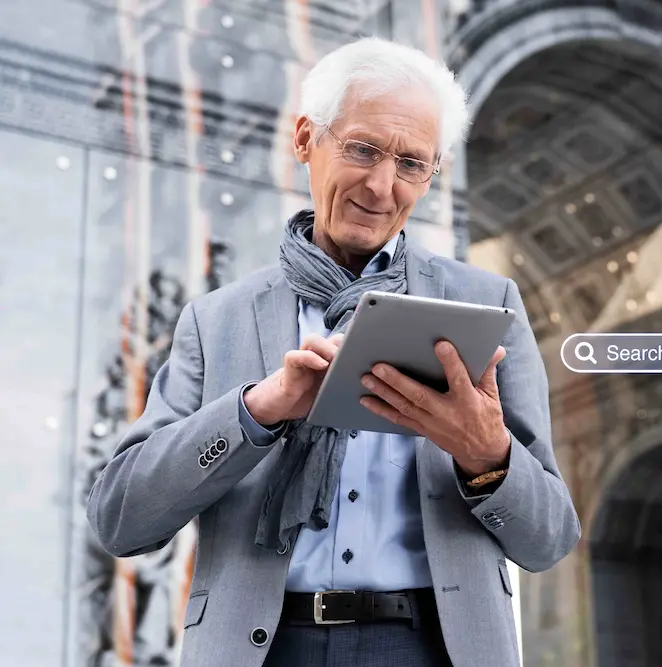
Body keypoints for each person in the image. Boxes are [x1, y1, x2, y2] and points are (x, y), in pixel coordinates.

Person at [86, 37, 580, 667]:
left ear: (432, 175)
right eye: (363, 149)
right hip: (261, 649)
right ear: (304, 141)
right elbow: (122, 518)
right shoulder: (215, 322)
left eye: (410, 163)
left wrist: (488, 454)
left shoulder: (488, 306)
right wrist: (257, 411)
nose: (381, 186)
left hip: (431, 648)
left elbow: (550, 540)